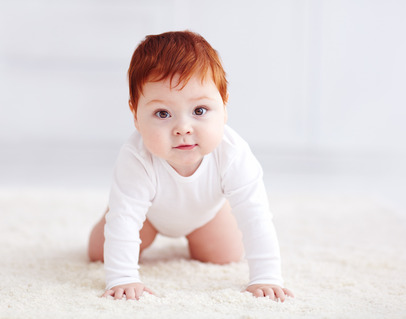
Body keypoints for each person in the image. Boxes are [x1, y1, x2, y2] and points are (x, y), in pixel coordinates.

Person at [88, 30, 293, 302]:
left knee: (224, 256)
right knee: (99, 253)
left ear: (224, 106)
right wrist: (123, 279)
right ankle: (117, 206)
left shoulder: (232, 153)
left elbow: (256, 216)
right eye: (163, 114)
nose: (183, 128)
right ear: (136, 116)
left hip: (206, 213)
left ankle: (209, 223)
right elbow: (125, 223)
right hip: (147, 216)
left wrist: (267, 277)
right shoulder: (136, 158)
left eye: (199, 111)